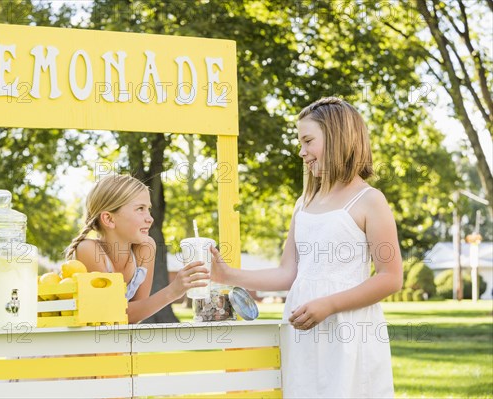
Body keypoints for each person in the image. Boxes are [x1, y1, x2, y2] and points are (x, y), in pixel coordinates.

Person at [211, 97, 403, 398]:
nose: (302, 152)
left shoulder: (369, 200)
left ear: (338, 137)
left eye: (308, 141)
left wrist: (329, 305)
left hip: (347, 330)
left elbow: (390, 277)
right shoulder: (304, 204)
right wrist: (227, 275)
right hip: (302, 331)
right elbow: (289, 274)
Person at [65, 174, 209, 324]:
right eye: (140, 209)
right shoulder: (89, 250)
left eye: (148, 209)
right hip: (90, 344)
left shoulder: (145, 248)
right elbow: (114, 314)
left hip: (123, 343)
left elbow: (138, 314)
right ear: (109, 219)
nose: (150, 218)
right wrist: (172, 291)